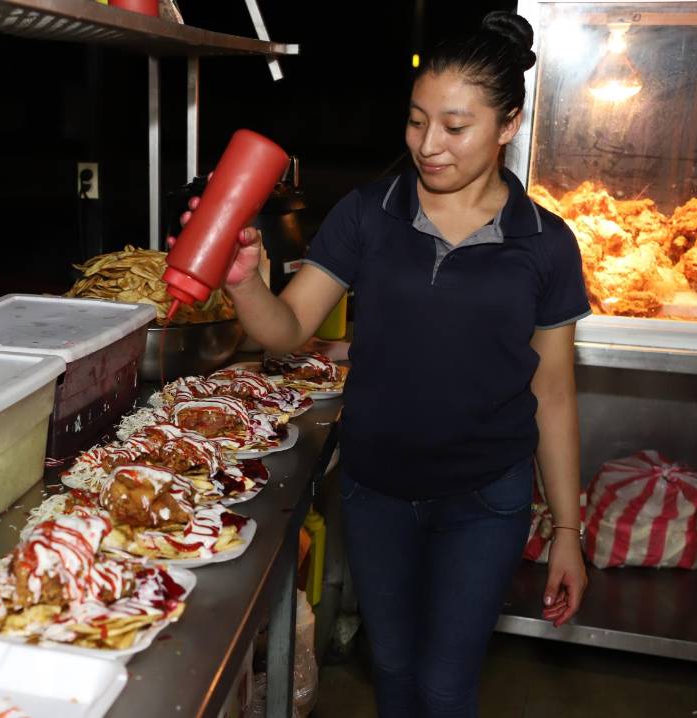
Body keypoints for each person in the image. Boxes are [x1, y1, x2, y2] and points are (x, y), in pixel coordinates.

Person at [171, 11, 588, 718]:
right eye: (416, 121)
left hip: (485, 498)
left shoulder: (546, 243)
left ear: (508, 125)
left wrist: (569, 533)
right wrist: (244, 282)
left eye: (455, 127)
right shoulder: (368, 214)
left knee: (446, 687)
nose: (428, 145)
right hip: (376, 492)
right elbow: (287, 331)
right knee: (392, 670)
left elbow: (554, 391)